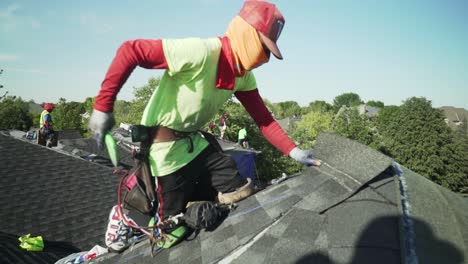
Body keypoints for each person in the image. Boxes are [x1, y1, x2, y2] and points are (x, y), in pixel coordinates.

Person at [90, 0, 320, 236]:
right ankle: (125, 217)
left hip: (195, 145)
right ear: (248, 34)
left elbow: (265, 121)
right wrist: (102, 107)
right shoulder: (200, 52)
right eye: (263, 47)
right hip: (164, 151)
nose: (265, 58)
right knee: (171, 231)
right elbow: (131, 50)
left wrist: (294, 152)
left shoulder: (243, 76)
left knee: (239, 191)